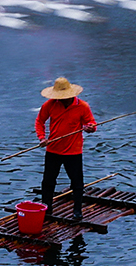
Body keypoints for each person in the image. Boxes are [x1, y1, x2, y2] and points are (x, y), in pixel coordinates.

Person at [34, 77, 96, 211]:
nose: (61, 98)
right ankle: (46, 208)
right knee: (48, 182)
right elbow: (39, 121)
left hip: (73, 151)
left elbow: (91, 124)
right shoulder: (49, 105)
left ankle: (77, 210)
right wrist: (41, 138)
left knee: (77, 183)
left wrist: (89, 127)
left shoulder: (82, 106)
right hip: (53, 149)